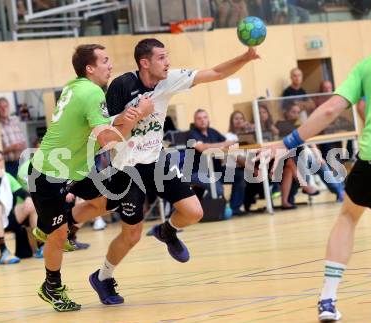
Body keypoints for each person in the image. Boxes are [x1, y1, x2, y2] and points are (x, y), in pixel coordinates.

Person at [69, 38, 260, 306]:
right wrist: (134, 114)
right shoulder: (122, 85)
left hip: (157, 161)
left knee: (194, 212)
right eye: (161, 57)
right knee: (130, 234)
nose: (167, 62)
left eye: (167, 56)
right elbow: (109, 136)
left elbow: (215, 73)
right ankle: (103, 276)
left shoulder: (170, 79)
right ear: (144, 63)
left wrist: (246, 57)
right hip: (127, 169)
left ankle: (167, 231)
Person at [259, 8, 371, 323]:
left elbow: (329, 110)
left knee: (348, 218)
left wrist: (286, 144)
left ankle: (327, 299)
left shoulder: (367, 65)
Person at [28, 43, 153, 312]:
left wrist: (122, 118)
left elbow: (98, 126)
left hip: (75, 169)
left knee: (108, 201)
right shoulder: (92, 92)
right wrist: (137, 118)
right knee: (58, 237)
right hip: (48, 174)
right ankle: (51, 286)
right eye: (105, 60)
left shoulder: (75, 86)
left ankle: (56, 225)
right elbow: (107, 140)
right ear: (90, 68)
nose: (110, 65)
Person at [0, 97, 27, 177]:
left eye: (6, 106)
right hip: (7, 165)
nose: (4, 109)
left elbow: (24, 142)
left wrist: (22, 146)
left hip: (22, 162)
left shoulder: (14, 122)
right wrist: (10, 148)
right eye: (1, 107)